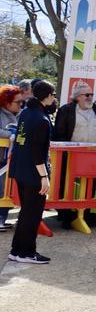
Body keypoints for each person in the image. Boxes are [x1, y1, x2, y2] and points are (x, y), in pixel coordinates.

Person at [8, 80, 56, 264]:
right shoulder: (41, 120)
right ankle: (27, 252)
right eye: (53, 95)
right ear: (48, 96)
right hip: (33, 173)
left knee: (26, 212)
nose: (54, 98)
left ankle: (17, 250)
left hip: (21, 170)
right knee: (33, 214)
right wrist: (44, 177)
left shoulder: (26, 112)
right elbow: (37, 152)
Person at [54, 79, 96, 228]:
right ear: (77, 96)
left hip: (91, 155)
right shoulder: (66, 110)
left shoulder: (95, 108)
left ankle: (85, 214)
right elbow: (59, 134)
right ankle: (65, 216)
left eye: (91, 94)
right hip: (70, 156)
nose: (90, 97)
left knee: (90, 185)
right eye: (87, 94)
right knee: (67, 184)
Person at [0, 85, 24, 230]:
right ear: (7, 102)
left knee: (8, 190)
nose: (21, 105)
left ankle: (3, 218)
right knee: (1, 188)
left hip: (13, 160)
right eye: (18, 102)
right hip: (1, 159)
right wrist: (11, 134)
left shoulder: (21, 114)